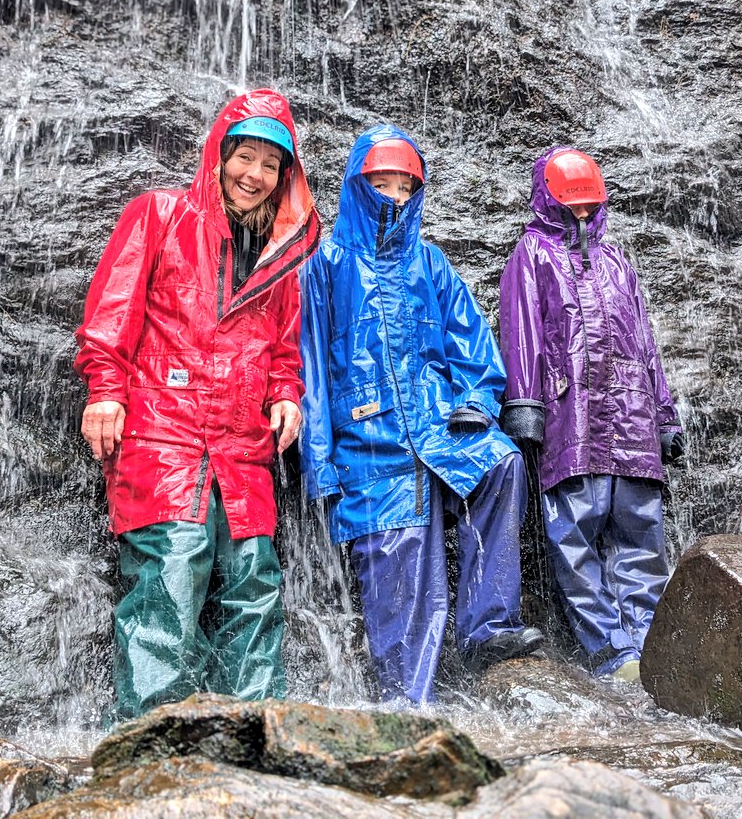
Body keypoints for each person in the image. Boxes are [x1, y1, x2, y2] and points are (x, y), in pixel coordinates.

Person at [74, 88, 321, 718]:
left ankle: (259, 738)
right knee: (170, 580)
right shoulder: (158, 215)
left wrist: (288, 396)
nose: (256, 175)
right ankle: (150, 745)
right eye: (247, 157)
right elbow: (111, 315)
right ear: (219, 154)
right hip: (164, 437)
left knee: (255, 586)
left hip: (243, 450)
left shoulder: (282, 261)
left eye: (272, 165)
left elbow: (285, 352)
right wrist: (105, 390)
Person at [299, 124, 543, 705]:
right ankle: (407, 709)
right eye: (383, 184)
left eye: (407, 186)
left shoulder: (431, 265)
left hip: (440, 431)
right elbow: (307, 370)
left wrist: (476, 405)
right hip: (371, 447)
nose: (396, 197)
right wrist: (320, 466)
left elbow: (477, 350)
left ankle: (487, 627)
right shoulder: (326, 265)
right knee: (406, 577)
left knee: (503, 464)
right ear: (358, 186)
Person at [499, 147, 684, 681]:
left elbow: (646, 344)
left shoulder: (619, 259)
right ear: (549, 199)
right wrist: (526, 407)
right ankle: (610, 652)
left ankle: (650, 650)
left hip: (631, 423)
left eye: (588, 205)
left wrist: (665, 415)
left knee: (641, 538)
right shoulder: (531, 254)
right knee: (574, 541)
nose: (580, 214)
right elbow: (523, 334)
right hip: (570, 419)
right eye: (571, 204)